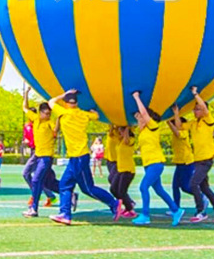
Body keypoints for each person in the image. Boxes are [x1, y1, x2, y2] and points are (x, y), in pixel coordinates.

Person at [48, 89, 119, 226]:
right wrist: (92, 110)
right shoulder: (83, 114)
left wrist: (63, 94)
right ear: (76, 103)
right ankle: (65, 214)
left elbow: (51, 101)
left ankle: (114, 203)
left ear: (65, 103)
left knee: (88, 188)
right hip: (78, 157)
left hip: (78, 157)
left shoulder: (63, 112)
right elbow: (96, 116)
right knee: (64, 185)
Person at [131, 91, 184, 227]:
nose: (138, 119)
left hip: (156, 163)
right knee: (158, 189)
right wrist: (137, 117)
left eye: (140, 117)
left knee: (143, 187)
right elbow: (140, 119)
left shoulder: (153, 126)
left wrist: (136, 98)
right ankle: (176, 210)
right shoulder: (143, 131)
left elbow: (144, 114)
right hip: (149, 164)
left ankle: (145, 215)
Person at [188, 88, 214, 224]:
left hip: (206, 159)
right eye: (194, 109)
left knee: (193, 184)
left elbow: (204, 109)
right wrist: (174, 114)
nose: (195, 111)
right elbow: (180, 126)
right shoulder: (194, 123)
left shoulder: (207, 120)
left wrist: (195, 94)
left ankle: (200, 211)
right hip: (198, 160)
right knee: (204, 187)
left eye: (197, 109)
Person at [22, 94, 61, 218]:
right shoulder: (35, 119)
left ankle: (33, 209)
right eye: (46, 113)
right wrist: (26, 94)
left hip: (46, 157)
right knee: (49, 183)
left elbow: (55, 130)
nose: (48, 115)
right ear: (40, 113)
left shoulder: (49, 123)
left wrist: (59, 117)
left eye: (50, 113)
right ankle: (69, 193)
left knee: (36, 180)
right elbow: (25, 107)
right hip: (38, 155)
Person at [167, 106, 195, 213]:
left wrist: (173, 118)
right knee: (175, 186)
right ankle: (176, 208)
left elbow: (177, 132)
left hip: (187, 162)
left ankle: (201, 196)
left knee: (185, 187)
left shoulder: (184, 131)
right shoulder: (175, 133)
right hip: (179, 163)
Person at [110, 126, 137, 218]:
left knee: (122, 191)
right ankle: (127, 206)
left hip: (128, 170)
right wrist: (112, 126)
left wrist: (127, 126)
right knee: (113, 189)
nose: (119, 133)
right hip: (120, 169)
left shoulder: (131, 140)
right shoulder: (120, 141)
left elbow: (127, 139)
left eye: (121, 131)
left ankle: (130, 209)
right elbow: (111, 135)